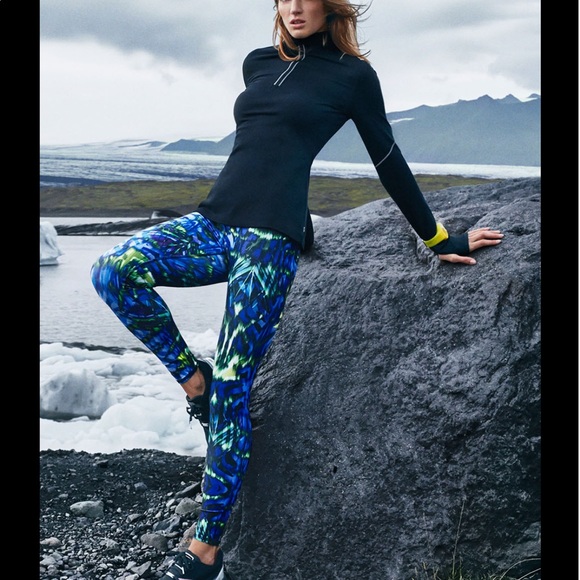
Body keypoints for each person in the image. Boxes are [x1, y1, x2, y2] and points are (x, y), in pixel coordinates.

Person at [90, 1, 504, 578]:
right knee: (112, 271)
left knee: (234, 385)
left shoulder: (352, 76)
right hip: (214, 223)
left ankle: (205, 548)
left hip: (269, 244)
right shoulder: (257, 62)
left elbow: (387, 158)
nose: (294, 7)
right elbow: (264, 148)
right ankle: (191, 379)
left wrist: (437, 237)